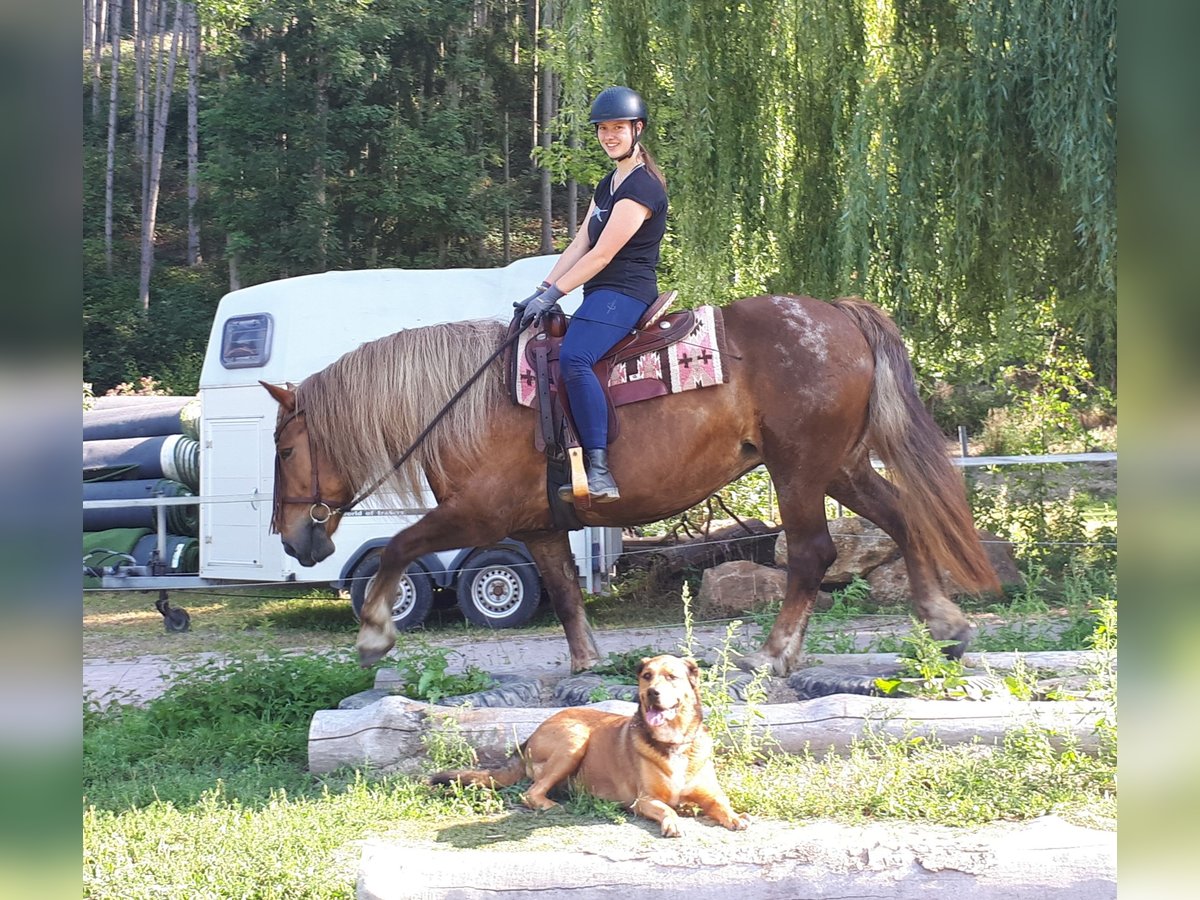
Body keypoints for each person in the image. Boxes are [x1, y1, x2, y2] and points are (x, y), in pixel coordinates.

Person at [516, 85, 669, 503]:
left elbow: (603, 254)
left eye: (618, 128)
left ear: (637, 129)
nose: (609, 136)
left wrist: (553, 296)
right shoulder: (609, 183)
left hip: (626, 291)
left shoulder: (643, 187)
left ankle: (599, 470)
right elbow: (581, 243)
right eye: (603, 129)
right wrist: (541, 291)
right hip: (601, 291)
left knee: (575, 357)